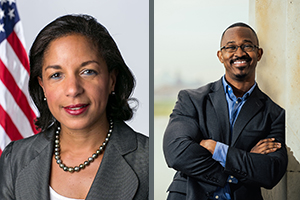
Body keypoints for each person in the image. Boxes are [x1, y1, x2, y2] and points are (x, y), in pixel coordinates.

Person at [0, 14, 148, 200]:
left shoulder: (149, 160)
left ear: (112, 80)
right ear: (42, 86)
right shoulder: (15, 159)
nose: (73, 89)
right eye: (56, 75)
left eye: (87, 72)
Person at [163, 22, 287, 200]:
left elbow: (270, 172)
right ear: (220, 56)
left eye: (247, 46)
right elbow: (176, 153)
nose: (239, 53)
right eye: (231, 47)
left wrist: (218, 149)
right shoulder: (192, 100)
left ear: (259, 54)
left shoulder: (274, 113)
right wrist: (240, 166)